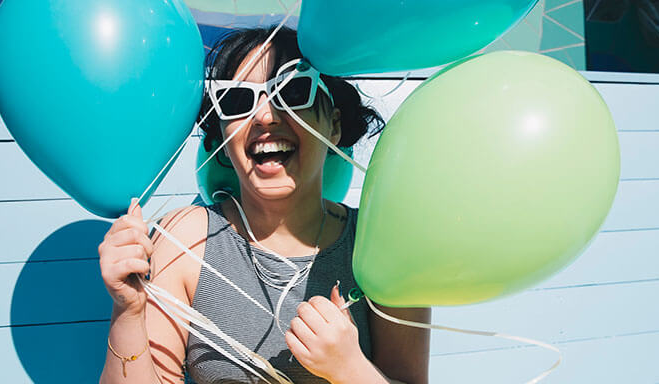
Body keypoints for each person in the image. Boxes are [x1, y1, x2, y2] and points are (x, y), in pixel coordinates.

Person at [98, 26, 431, 384]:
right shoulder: (186, 241)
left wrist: (350, 369)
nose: (265, 116)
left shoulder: (379, 245)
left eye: (292, 91)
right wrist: (128, 313)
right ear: (223, 137)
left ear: (333, 125)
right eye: (238, 100)